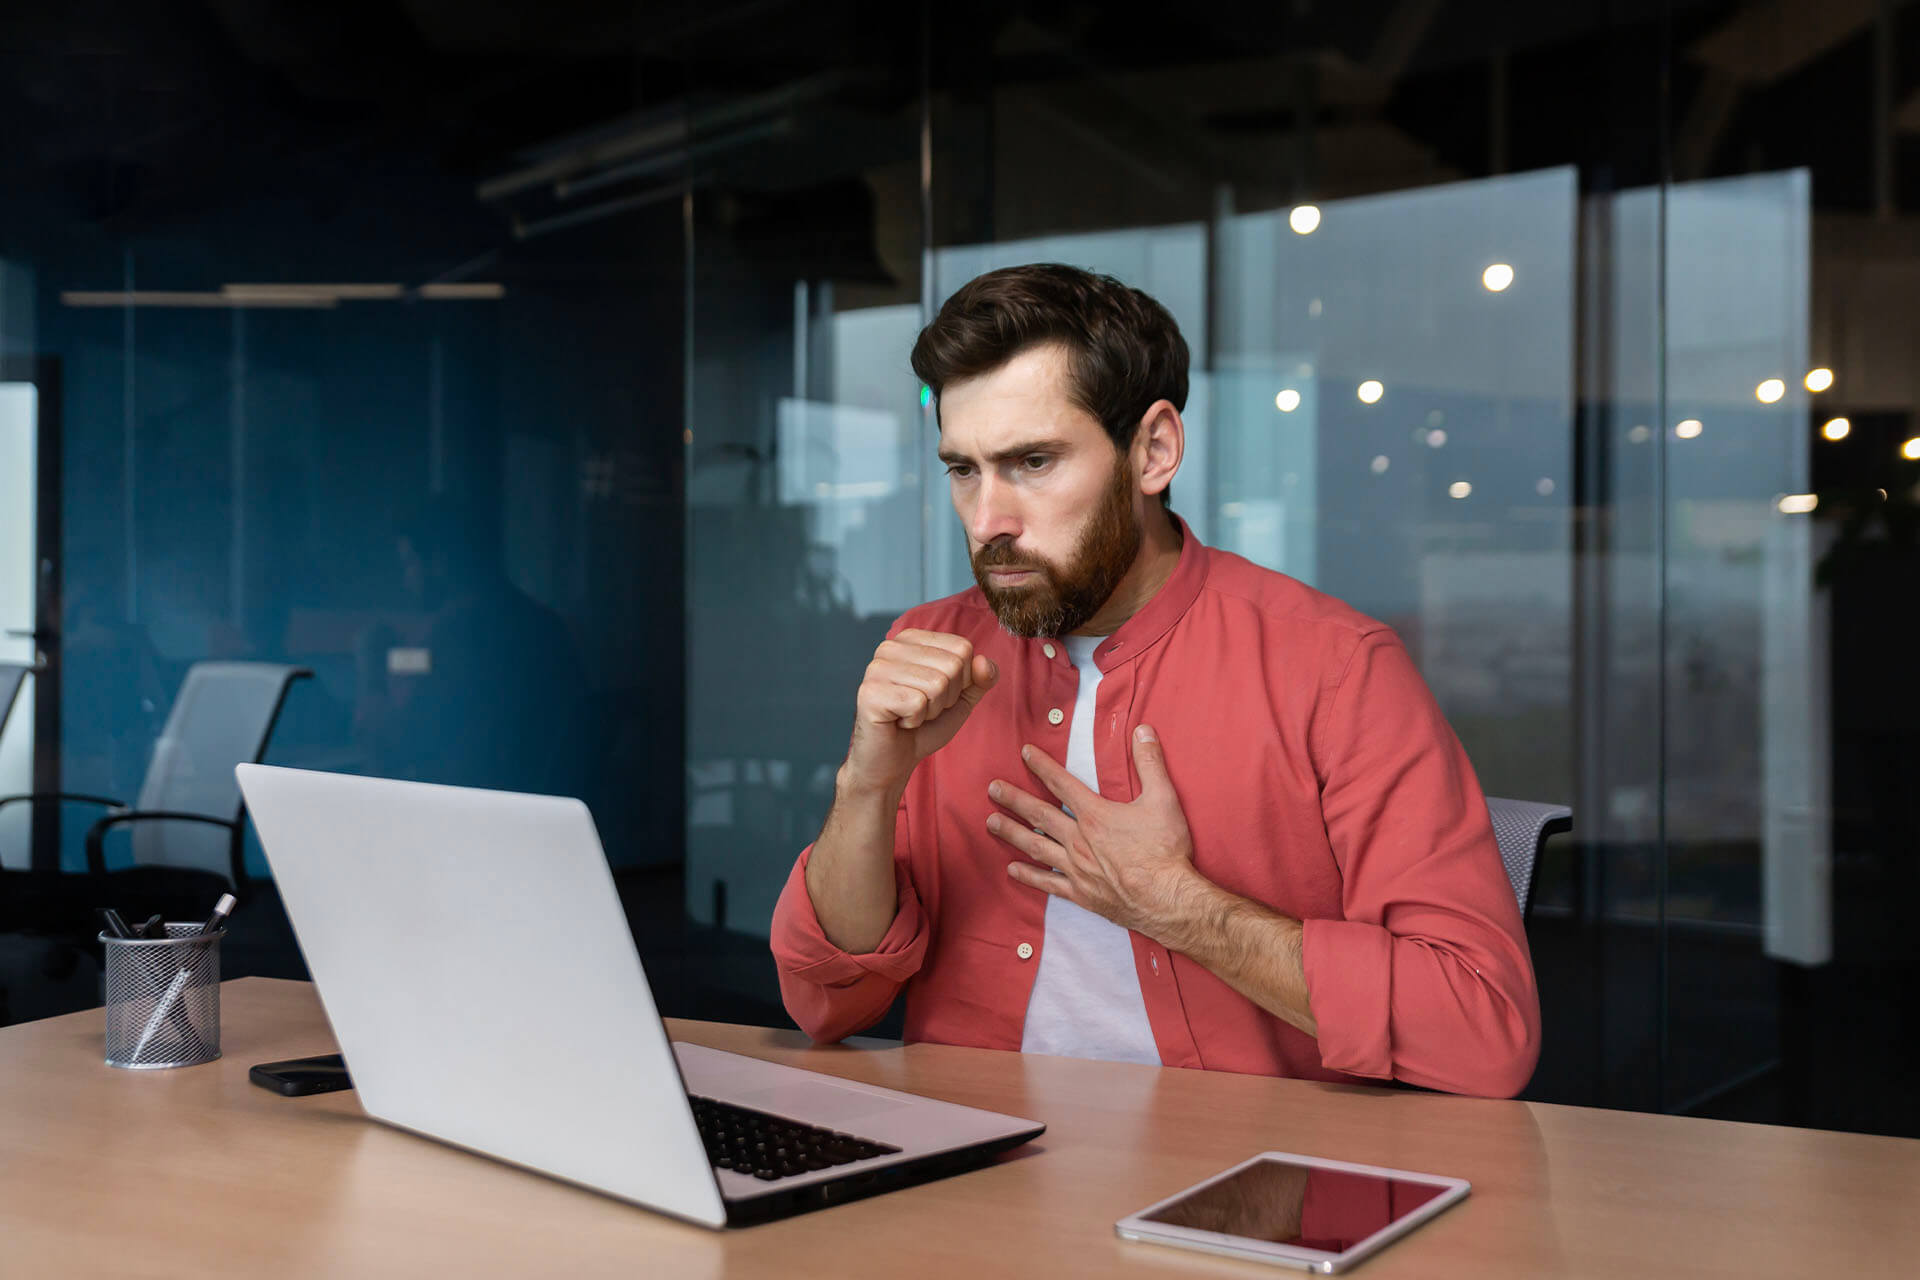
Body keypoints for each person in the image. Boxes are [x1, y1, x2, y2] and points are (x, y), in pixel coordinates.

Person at [769, 264, 1540, 1098]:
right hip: (972, 1167)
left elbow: (1481, 1031)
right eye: (963, 470)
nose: (989, 519)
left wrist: (1177, 905)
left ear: (1155, 450)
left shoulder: (1335, 668)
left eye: (1032, 461)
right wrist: (868, 787)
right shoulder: (933, 648)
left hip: (1242, 1186)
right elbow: (827, 1002)